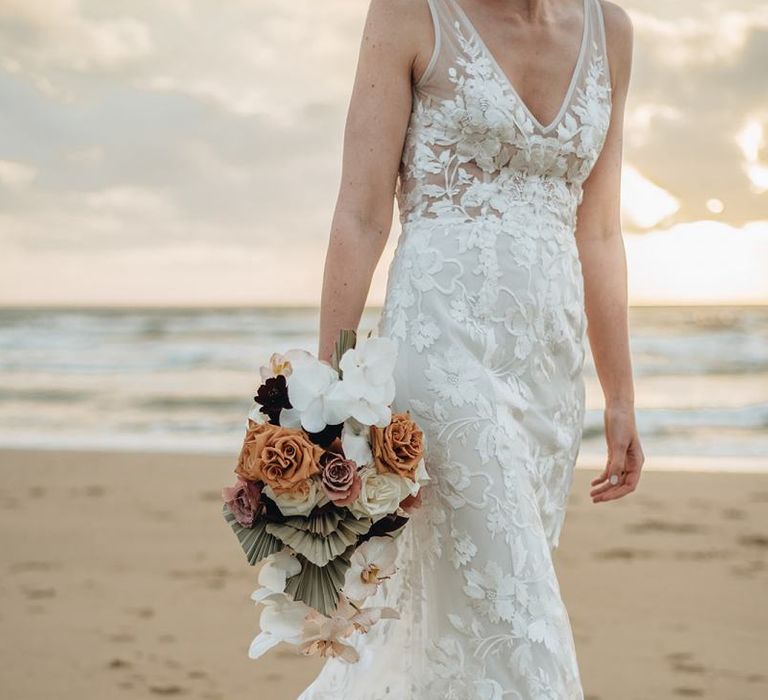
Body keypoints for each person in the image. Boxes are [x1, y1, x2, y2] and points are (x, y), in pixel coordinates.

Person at [304, 0, 644, 697]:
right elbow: (362, 213)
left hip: (549, 373)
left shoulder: (611, 31)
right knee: (519, 622)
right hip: (440, 351)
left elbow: (601, 231)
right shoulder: (408, 13)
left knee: (455, 614)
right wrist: (332, 393)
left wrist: (621, 395)